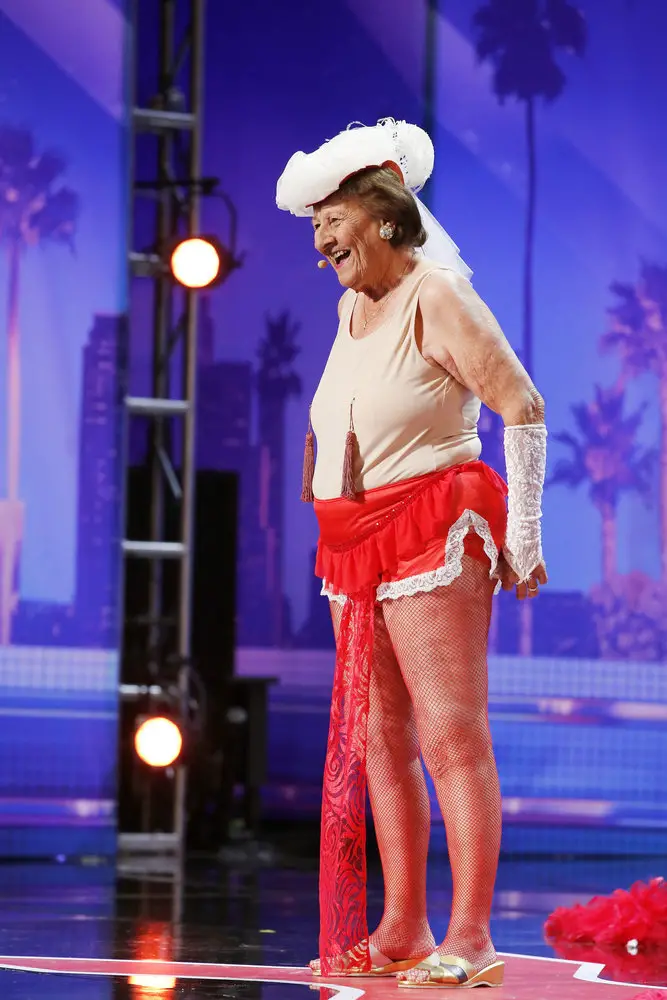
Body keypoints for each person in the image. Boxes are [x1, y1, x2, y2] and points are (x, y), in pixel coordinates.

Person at [276, 119, 547, 990]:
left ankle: (470, 934)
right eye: (315, 224)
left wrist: (523, 534)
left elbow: (521, 403)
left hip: (430, 521)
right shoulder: (352, 305)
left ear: (386, 216)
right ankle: (402, 925)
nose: (319, 239)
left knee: (448, 731)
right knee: (381, 739)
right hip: (353, 540)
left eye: (331, 219)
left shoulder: (437, 294)